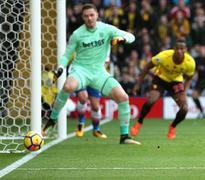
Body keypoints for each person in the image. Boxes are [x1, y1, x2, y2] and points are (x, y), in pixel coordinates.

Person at [42, 3, 140, 145]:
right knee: (68, 86)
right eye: (86, 16)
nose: (89, 18)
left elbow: (131, 36)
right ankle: (52, 119)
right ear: (82, 18)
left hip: (99, 73)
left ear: (97, 15)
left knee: (123, 97)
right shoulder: (77, 34)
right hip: (80, 70)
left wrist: (121, 38)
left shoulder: (106, 29)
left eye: (91, 15)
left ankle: (124, 136)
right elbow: (66, 55)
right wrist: (61, 67)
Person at [130, 39, 195, 139]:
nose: (179, 51)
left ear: (186, 50)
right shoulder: (163, 56)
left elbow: (189, 78)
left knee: (185, 108)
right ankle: (139, 123)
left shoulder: (190, 63)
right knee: (151, 100)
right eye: (177, 48)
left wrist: (185, 91)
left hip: (175, 82)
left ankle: (172, 126)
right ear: (174, 48)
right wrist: (138, 84)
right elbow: (147, 66)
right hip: (160, 79)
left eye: (182, 49)